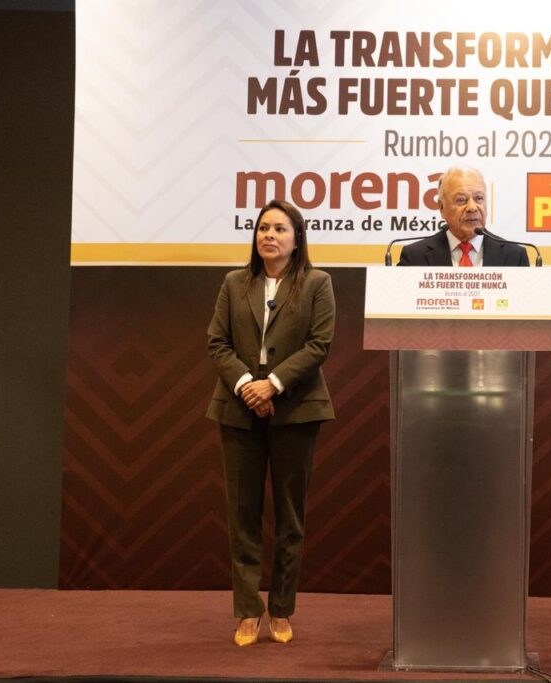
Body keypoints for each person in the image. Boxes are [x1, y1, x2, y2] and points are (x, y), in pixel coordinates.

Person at [206, 199, 335, 646]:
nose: (270, 235)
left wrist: (273, 384)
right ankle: (248, 610)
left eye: (280, 228)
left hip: (295, 408)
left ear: (297, 239)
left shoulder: (317, 283)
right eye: (263, 228)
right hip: (238, 406)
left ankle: (280, 609)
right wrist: (248, 384)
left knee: (289, 516)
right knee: (242, 513)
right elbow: (217, 342)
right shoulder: (234, 283)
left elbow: (319, 344)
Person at [398, 166, 529, 266]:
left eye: (479, 198)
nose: (472, 207)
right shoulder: (414, 258)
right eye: (461, 200)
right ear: (442, 207)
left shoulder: (515, 257)